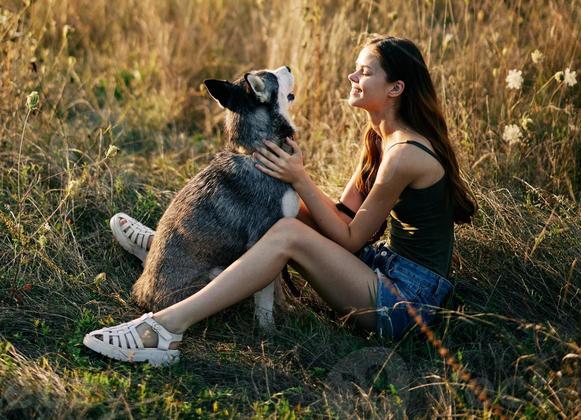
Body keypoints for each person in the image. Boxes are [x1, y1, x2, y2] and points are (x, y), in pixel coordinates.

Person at [83, 35, 476, 363]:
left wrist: (300, 179)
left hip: (409, 302)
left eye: (365, 71)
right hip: (382, 268)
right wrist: (283, 177)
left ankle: (165, 329)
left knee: (287, 229)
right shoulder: (379, 135)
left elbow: (351, 238)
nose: (352, 76)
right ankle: (182, 247)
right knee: (277, 203)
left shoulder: (404, 154)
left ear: (395, 88)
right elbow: (340, 215)